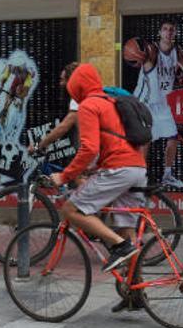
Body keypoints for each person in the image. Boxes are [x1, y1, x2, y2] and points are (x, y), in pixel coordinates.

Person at [50, 63, 147, 310]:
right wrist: (92, 169)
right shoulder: (111, 102)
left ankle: (119, 247)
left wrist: (64, 175)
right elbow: (112, 145)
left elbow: (89, 148)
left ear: (77, 87)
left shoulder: (89, 106)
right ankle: (135, 294)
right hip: (137, 168)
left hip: (120, 170)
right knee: (126, 228)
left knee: (71, 210)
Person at [132, 19, 183, 188]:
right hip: (146, 100)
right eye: (165, 29)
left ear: (174, 34)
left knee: (173, 137)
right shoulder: (152, 50)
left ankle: (167, 175)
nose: (168, 32)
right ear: (160, 33)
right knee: (146, 139)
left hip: (162, 101)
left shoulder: (177, 52)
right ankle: (141, 177)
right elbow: (141, 58)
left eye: (171, 30)